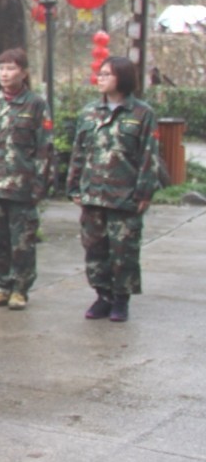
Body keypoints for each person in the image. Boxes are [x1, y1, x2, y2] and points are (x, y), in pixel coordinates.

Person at [68, 56, 164, 323]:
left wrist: (144, 192)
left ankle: (121, 299)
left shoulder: (142, 113)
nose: (100, 78)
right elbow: (79, 151)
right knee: (94, 249)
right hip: (93, 193)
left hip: (124, 195)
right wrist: (73, 186)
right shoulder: (89, 112)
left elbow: (149, 156)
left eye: (107, 74)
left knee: (124, 251)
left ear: (122, 78)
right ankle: (103, 296)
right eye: (99, 73)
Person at [0, 48, 54, 309]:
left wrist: (40, 184)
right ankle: (1, 286)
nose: (5, 73)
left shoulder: (36, 105)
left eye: (11, 68)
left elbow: (45, 148)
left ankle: (20, 288)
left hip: (22, 185)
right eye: (1, 68)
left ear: (24, 72)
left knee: (22, 240)